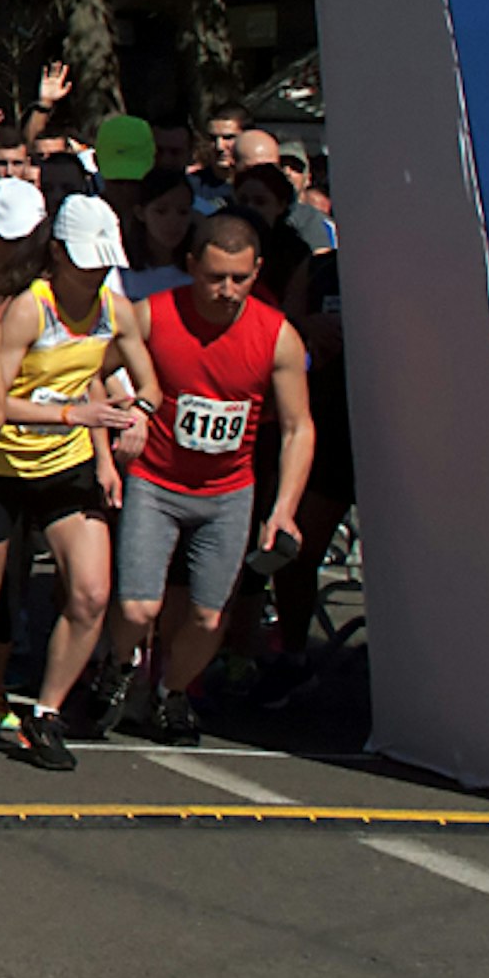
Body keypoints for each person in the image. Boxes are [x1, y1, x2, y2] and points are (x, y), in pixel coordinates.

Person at [0, 182, 159, 772]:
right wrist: (75, 413)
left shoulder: (114, 310)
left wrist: (133, 419)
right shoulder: (27, 308)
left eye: (103, 268)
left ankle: (45, 713)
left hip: (65, 467)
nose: (94, 278)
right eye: (86, 265)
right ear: (59, 254)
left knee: (91, 592)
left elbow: (150, 384)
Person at [114, 206, 315, 746]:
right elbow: (101, 370)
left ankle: (170, 694)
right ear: (189, 266)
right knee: (138, 607)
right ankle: (117, 674)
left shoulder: (277, 336)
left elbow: (298, 428)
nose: (227, 290)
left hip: (229, 493)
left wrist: (284, 510)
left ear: (258, 271)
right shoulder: (153, 315)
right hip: (155, 482)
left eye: (240, 279)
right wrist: (126, 411)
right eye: (214, 277)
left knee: (208, 619)